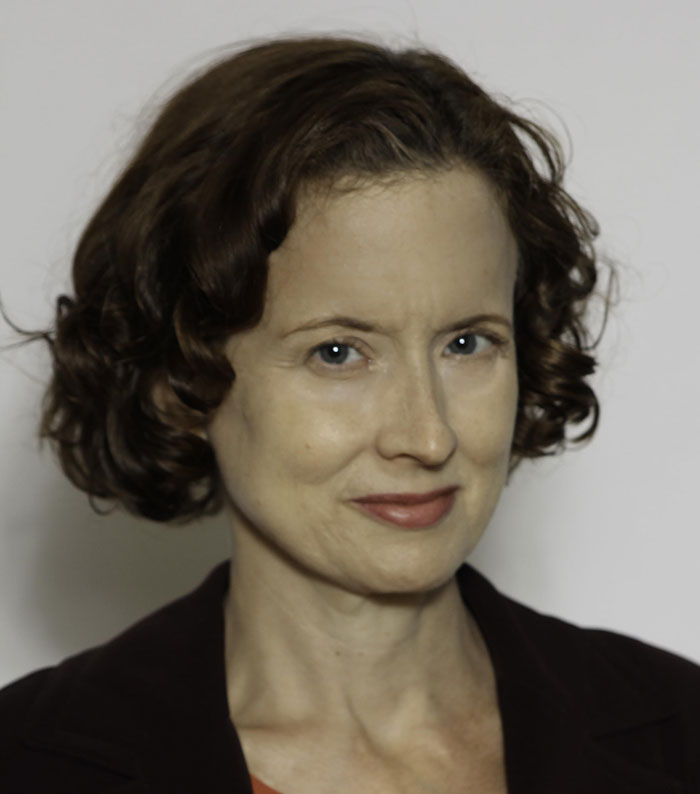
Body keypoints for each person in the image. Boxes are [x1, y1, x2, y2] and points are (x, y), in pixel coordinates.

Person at [1, 35, 698, 794]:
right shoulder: (33, 763)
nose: (427, 436)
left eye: (467, 343)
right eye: (337, 353)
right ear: (181, 379)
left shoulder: (680, 733)